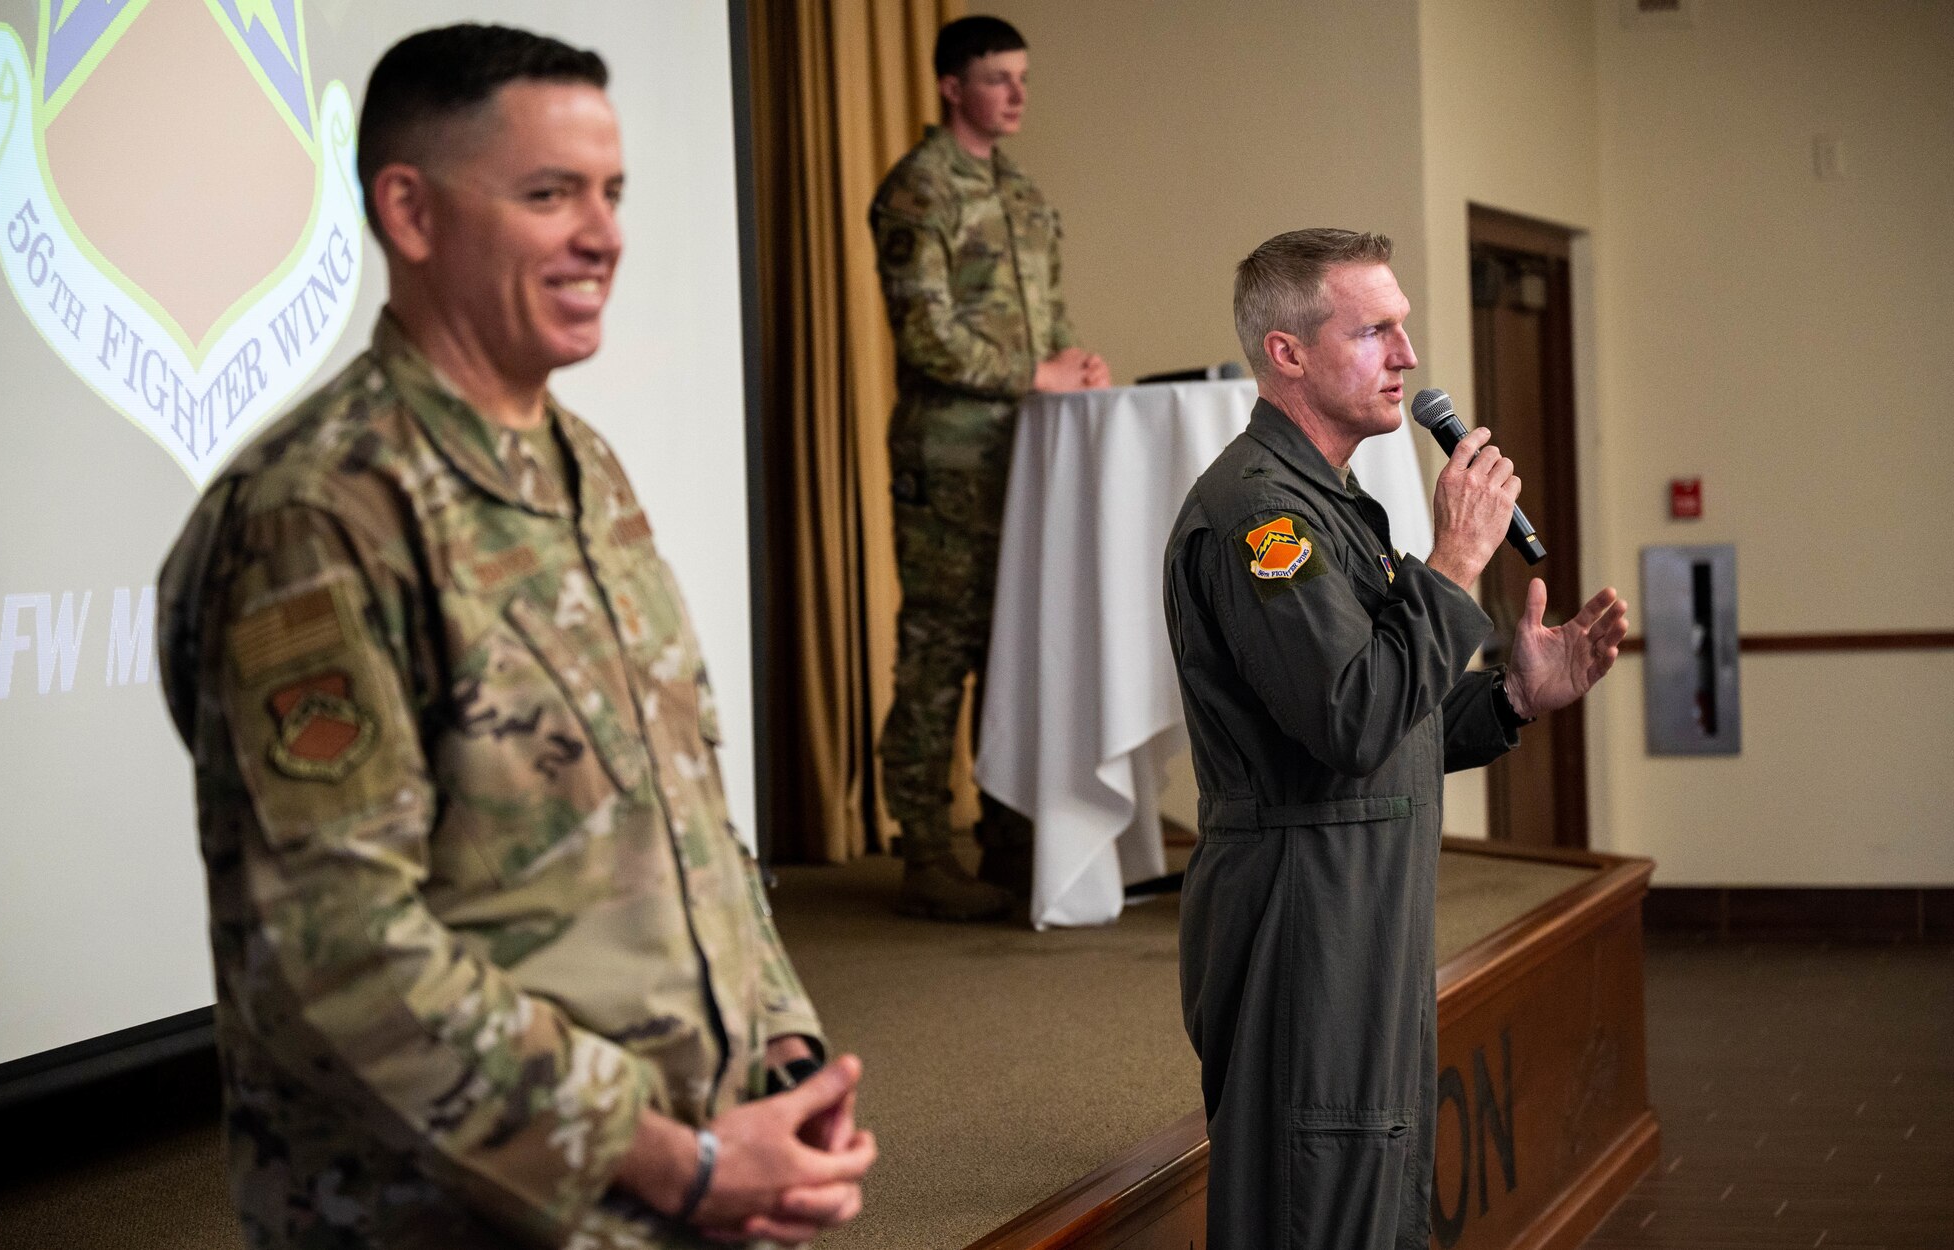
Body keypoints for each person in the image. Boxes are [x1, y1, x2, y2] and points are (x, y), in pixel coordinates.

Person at [156, 25, 874, 1249]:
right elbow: (342, 951)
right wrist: (678, 1161)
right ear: (411, 212)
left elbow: (679, 797)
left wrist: (775, 1051)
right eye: (550, 195)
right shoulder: (321, 510)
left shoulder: (582, 463)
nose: (603, 234)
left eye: (612, 193)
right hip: (461, 1210)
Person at [1162, 229, 1627, 1249]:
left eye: (1401, 327)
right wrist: (1453, 560)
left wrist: (1511, 695)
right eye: (1374, 330)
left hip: (1357, 891)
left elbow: (1391, 722)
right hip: (1300, 905)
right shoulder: (1260, 519)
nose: (1407, 356)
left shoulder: (1336, 507)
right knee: (1315, 1201)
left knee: (1368, 1191)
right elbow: (1354, 718)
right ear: (1286, 353)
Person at [870, 15, 1110, 922]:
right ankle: (925, 849)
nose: (1016, 94)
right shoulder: (919, 192)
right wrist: (1029, 372)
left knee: (1020, 641)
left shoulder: (1022, 194)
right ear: (950, 87)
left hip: (1030, 455)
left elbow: (1044, 314)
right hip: (951, 458)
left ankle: (1010, 837)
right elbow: (923, 330)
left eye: (1022, 77)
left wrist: (1071, 362)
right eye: (997, 78)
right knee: (941, 646)